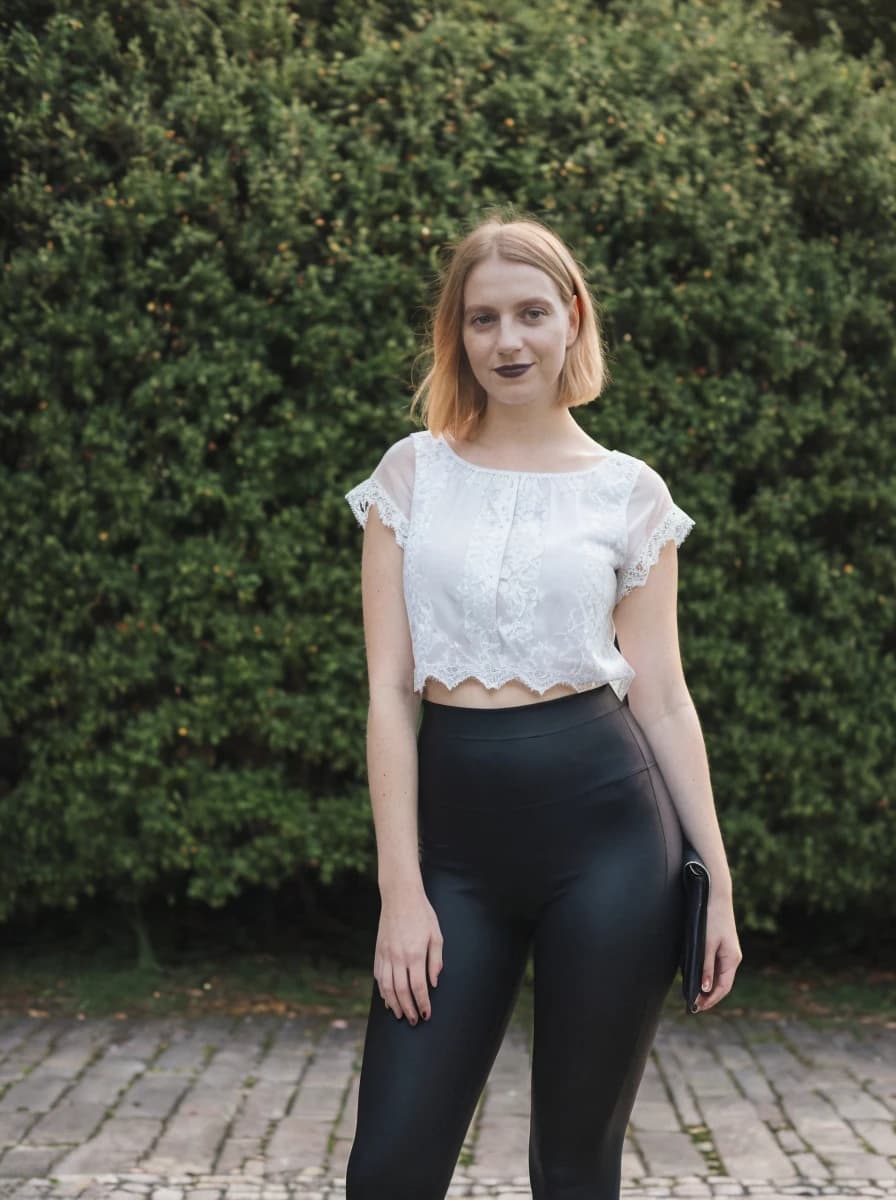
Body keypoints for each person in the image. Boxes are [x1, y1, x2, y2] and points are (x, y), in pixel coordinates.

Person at [342, 210, 742, 1200]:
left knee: (572, 1167)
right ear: (457, 332)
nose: (506, 341)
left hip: (609, 839)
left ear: (570, 318)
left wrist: (718, 880)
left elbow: (661, 700)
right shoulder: (409, 475)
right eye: (482, 319)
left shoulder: (628, 495)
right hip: (452, 853)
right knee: (388, 1169)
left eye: (528, 313)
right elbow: (390, 693)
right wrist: (401, 892)